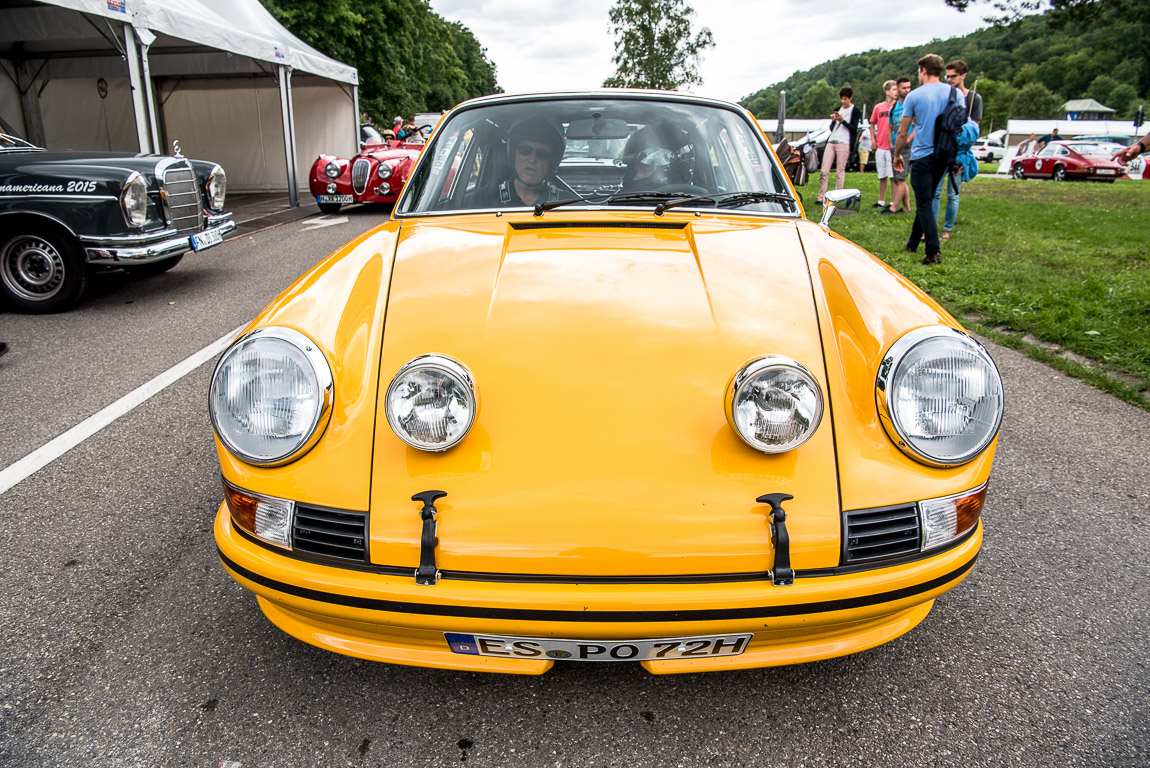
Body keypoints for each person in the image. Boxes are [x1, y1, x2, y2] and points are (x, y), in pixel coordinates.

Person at [892, 53, 965, 265]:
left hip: (923, 154)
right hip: (945, 153)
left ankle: (933, 250)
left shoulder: (915, 96)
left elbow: (904, 132)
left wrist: (897, 154)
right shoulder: (954, 93)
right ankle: (912, 243)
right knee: (928, 195)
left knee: (924, 201)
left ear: (923, 70)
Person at [930, 59, 983, 242]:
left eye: (953, 76)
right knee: (934, 192)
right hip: (942, 149)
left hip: (959, 152)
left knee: (953, 193)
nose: (950, 79)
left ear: (963, 76)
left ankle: (947, 229)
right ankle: (930, 229)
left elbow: (974, 130)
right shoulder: (945, 95)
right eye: (948, 76)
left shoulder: (973, 98)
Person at [475, 116, 566, 208]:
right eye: (524, 150)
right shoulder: (483, 199)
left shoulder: (568, 205)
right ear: (512, 154)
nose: (532, 160)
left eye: (542, 154)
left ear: (552, 162)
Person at [817, 86, 860, 204]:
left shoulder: (855, 111)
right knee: (824, 170)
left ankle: (837, 196)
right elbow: (831, 129)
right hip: (832, 140)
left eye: (845, 99)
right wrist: (834, 120)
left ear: (850, 98)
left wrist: (843, 121)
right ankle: (821, 197)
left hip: (844, 142)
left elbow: (854, 129)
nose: (843, 101)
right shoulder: (838, 109)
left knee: (839, 171)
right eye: (841, 99)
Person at [619, 124, 693, 191]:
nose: (635, 178)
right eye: (632, 171)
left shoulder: (694, 204)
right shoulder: (619, 200)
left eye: (645, 170)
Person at [880, 78, 913, 215]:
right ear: (898, 89)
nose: (907, 90)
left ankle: (894, 208)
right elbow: (890, 127)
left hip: (906, 146)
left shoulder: (910, 104)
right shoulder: (894, 107)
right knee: (898, 177)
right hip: (895, 145)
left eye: (909, 87)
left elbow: (917, 125)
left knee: (900, 178)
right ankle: (906, 207)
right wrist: (891, 143)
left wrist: (908, 140)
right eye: (904, 88)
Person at [870, 80, 898, 209]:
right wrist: (873, 140)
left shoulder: (897, 107)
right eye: (894, 89)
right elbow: (872, 124)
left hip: (892, 145)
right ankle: (881, 200)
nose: (896, 92)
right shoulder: (878, 107)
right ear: (887, 91)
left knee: (893, 175)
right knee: (882, 174)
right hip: (880, 144)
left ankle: (893, 201)